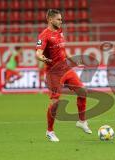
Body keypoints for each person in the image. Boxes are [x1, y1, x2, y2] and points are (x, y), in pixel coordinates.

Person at [35, 9, 92, 142]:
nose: (61, 21)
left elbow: (63, 52)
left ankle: (82, 121)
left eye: (61, 19)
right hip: (54, 73)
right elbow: (38, 53)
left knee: (83, 91)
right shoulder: (44, 35)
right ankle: (50, 131)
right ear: (50, 19)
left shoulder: (60, 32)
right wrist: (42, 58)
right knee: (55, 103)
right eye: (59, 19)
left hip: (66, 69)